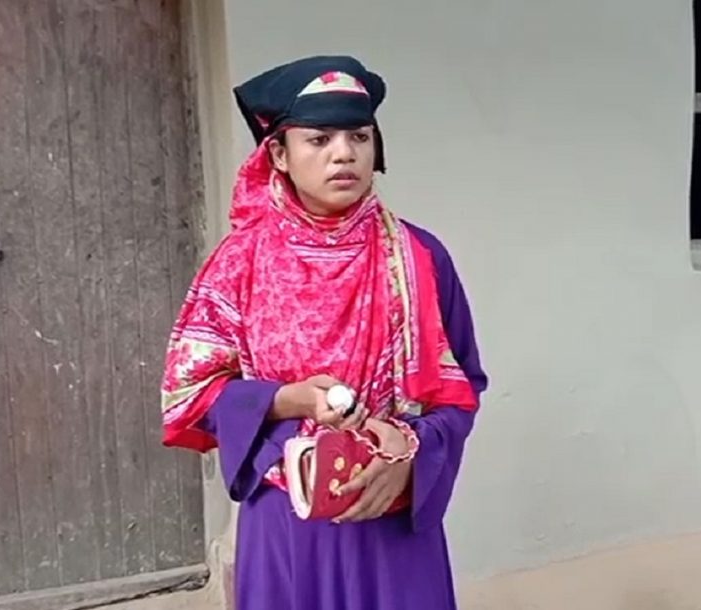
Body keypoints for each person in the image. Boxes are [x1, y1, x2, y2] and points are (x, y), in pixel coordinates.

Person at [160, 55, 488, 610]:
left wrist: (411, 451)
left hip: (391, 520)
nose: (344, 153)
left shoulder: (421, 258)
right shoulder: (239, 264)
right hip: (287, 527)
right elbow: (189, 398)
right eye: (319, 139)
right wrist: (287, 400)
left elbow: (462, 391)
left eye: (359, 136)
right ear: (279, 155)